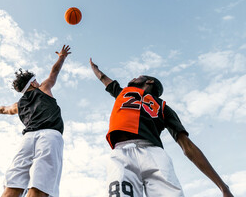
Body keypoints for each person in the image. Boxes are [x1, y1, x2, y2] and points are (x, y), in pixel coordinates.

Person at [89, 58, 233, 197]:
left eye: (139, 76)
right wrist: (95, 69)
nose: (133, 78)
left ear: (149, 81)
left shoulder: (164, 107)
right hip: (121, 154)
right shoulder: (123, 93)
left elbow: (187, 146)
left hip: (154, 154)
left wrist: (222, 186)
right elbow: (104, 79)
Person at [0, 45, 71, 197]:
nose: (40, 82)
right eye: (37, 81)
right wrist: (62, 57)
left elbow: (4, 110)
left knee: (13, 186)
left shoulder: (18, 105)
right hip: (49, 136)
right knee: (40, 186)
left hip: (27, 139)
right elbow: (54, 72)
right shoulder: (43, 88)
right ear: (33, 83)